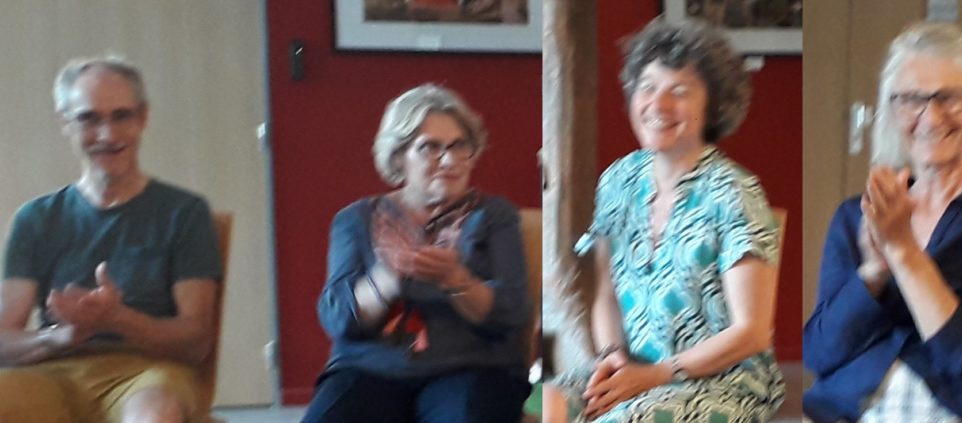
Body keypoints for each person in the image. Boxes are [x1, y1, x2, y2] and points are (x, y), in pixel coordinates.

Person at [543, 18, 785, 423]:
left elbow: (752, 332)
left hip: (721, 380)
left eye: (679, 91)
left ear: (712, 105)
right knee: (545, 404)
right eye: (648, 87)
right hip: (634, 368)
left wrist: (655, 375)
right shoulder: (618, 180)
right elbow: (606, 294)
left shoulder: (735, 193)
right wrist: (612, 357)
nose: (658, 105)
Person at [803, 22, 962, 423]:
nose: (931, 117)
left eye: (949, 98)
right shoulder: (858, 215)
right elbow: (820, 353)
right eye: (911, 100)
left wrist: (904, 252)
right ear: (892, 112)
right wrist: (873, 273)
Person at [0, 55, 223, 423]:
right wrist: (58, 337)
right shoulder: (35, 218)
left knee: (153, 415)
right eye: (89, 119)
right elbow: (4, 341)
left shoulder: (185, 213)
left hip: (147, 375)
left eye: (121, 116)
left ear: (142, 117)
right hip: (50, 373)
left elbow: (195, 342)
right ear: (65, 122)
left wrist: (118, 319)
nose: (107, 135)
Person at [301, 83, 532, 423]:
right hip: (368, 368)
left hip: (473, 367)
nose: (450, 160)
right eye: (430, 148)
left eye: (459, 146)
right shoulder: (356, 220)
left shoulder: (495, 215)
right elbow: (338, 319)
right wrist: (387, 278)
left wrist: (456, 279)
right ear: (399, 156)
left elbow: (512, 313)